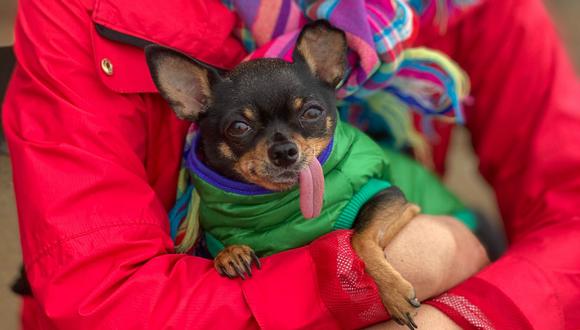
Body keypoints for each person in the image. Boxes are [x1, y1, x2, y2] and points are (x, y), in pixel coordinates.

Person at [2, 0, 579, 329]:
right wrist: (351, 280)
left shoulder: (476, 9)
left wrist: (463, 314)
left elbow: (570, 210)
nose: (282, 147)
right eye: (242, 127)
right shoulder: (79, 10)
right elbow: (96, 294)